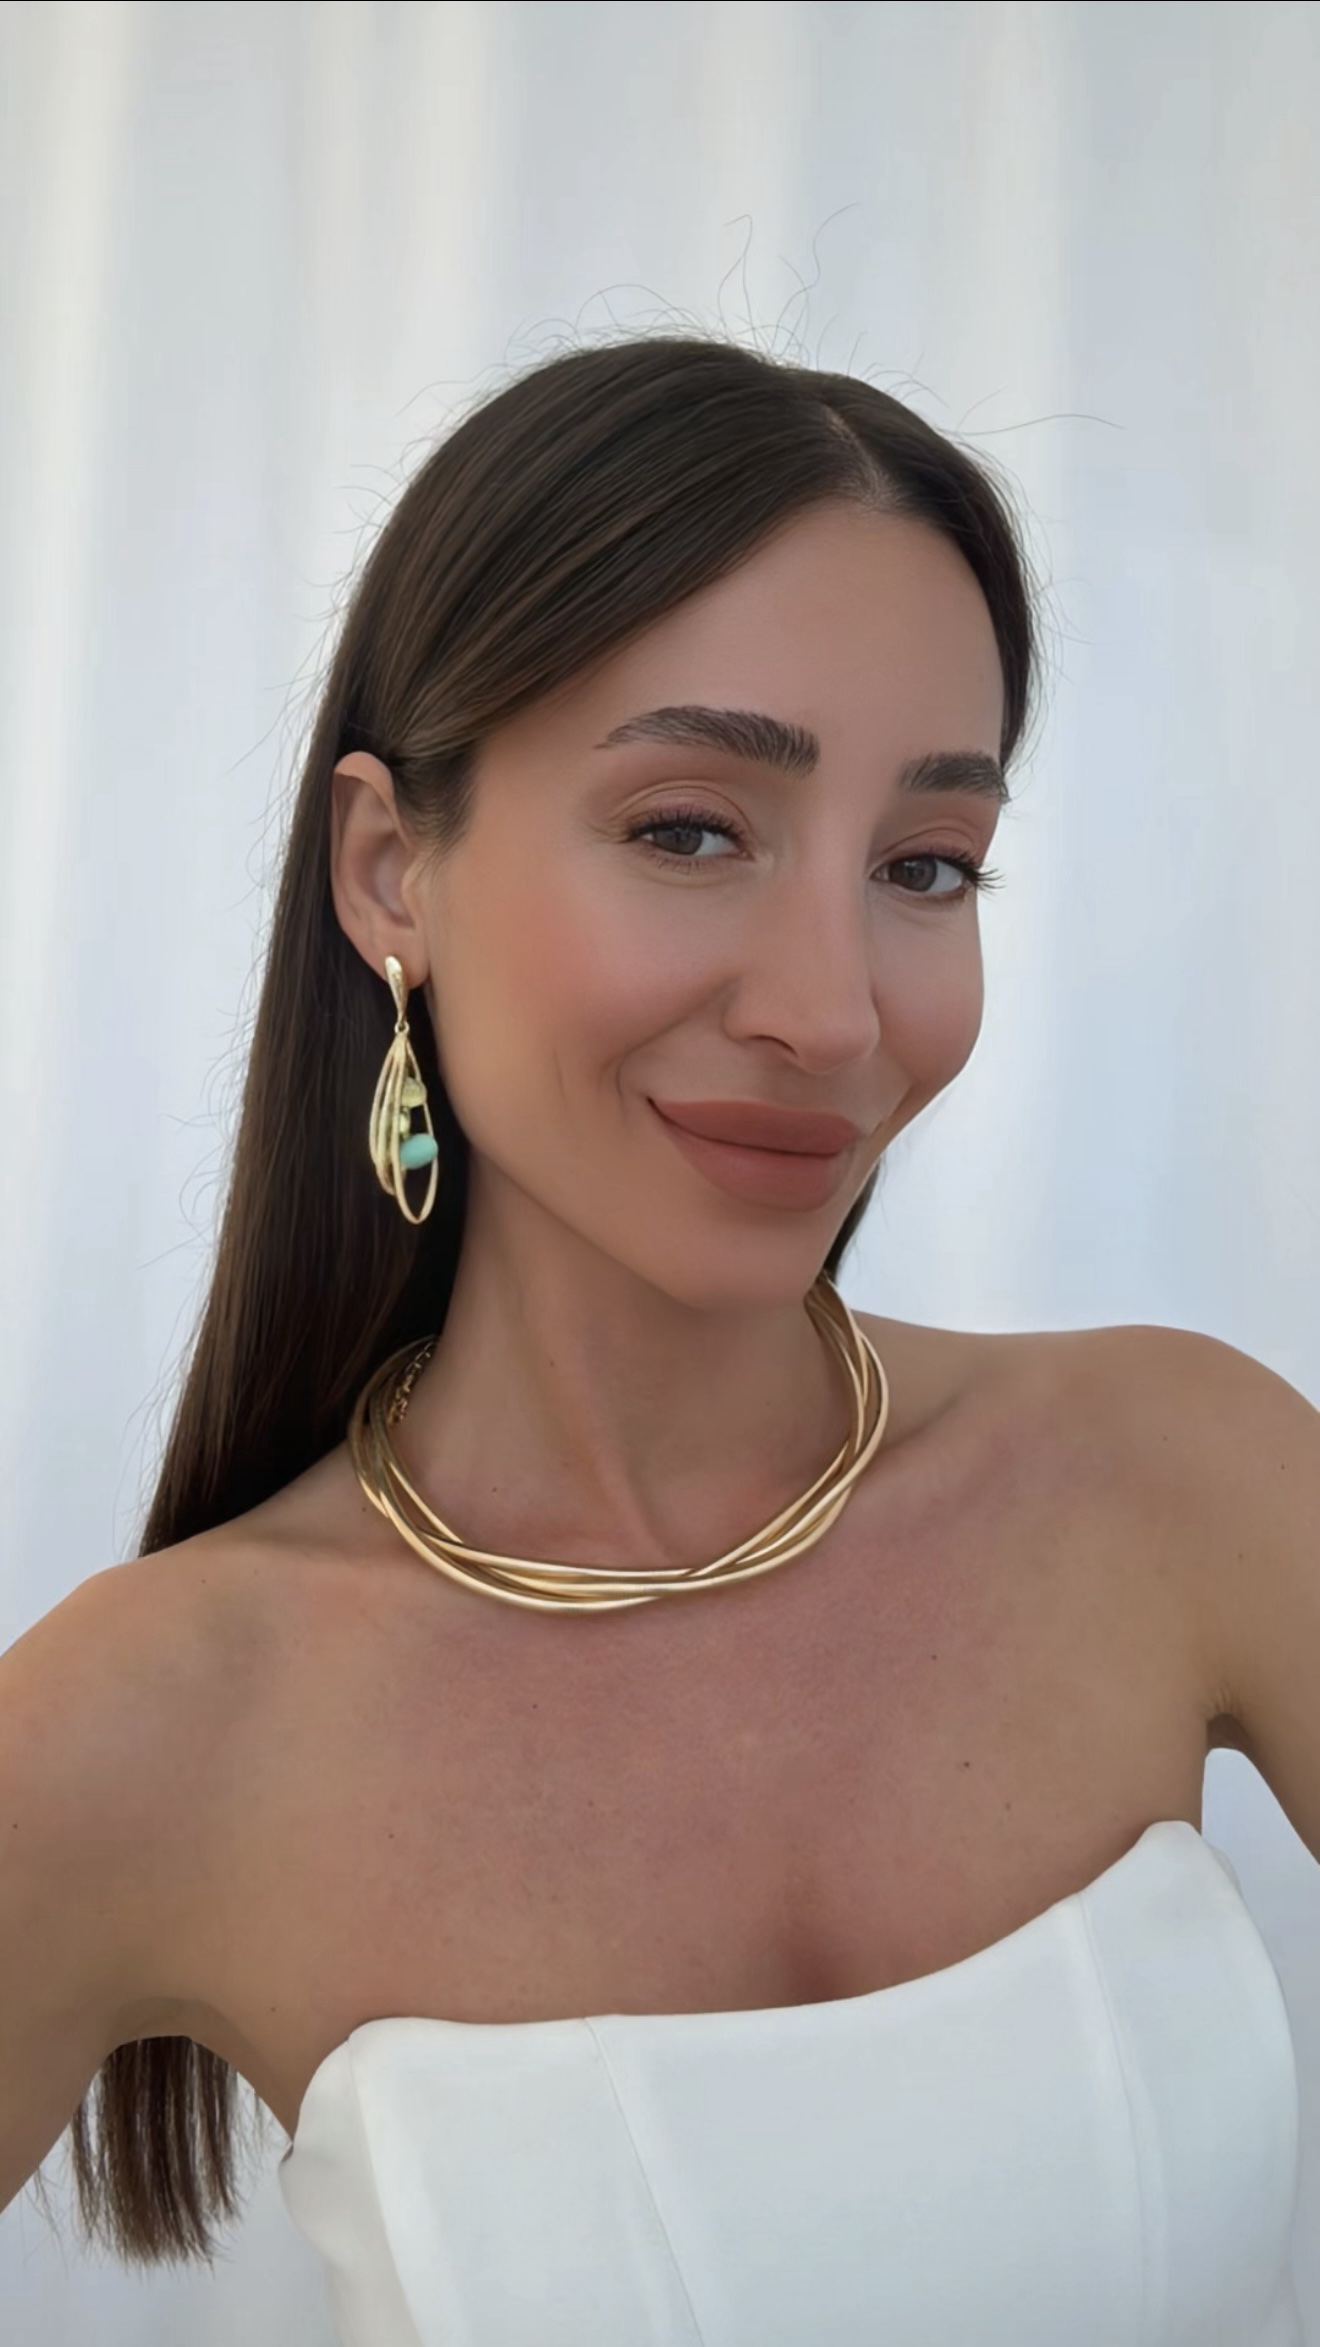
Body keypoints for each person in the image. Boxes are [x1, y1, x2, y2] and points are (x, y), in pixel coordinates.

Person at [2, 332, 1316, 2345]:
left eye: (925, 867)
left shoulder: (1188, 1479)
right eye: (691, 830)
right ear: (391, 872)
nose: (834, 1010)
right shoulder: (154, 1722)